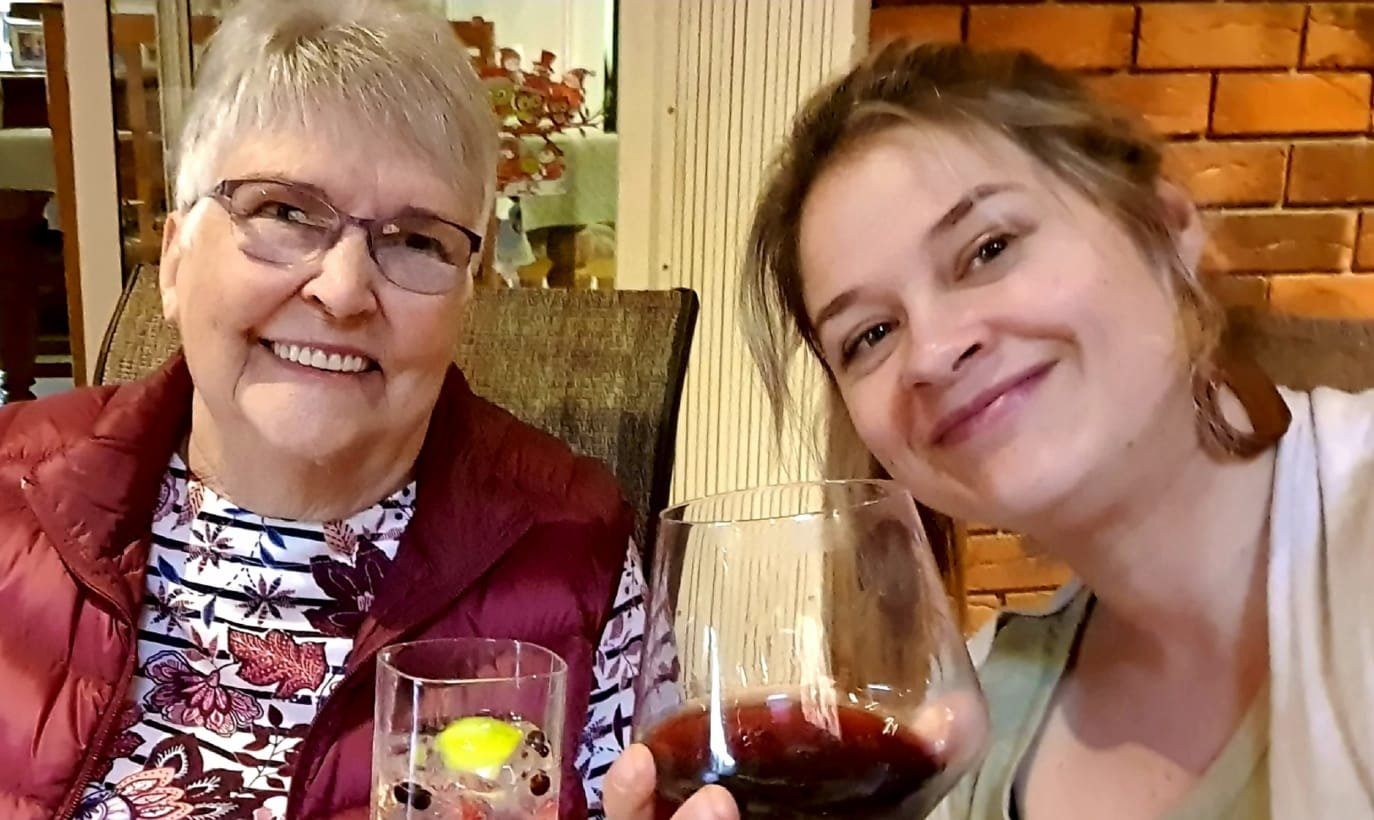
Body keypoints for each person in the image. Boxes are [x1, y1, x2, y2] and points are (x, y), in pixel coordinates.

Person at [604, 40, 1374, 820]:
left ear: (1165, 225)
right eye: (871, 334)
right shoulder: (981, 714)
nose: (933, 352)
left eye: (988, 250)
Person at [0, 1, 645, 818]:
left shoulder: (578, 553)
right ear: (173, 261)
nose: (342, 291)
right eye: (283, 211)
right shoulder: (12, 492)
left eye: (417, 240)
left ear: (466, 303)